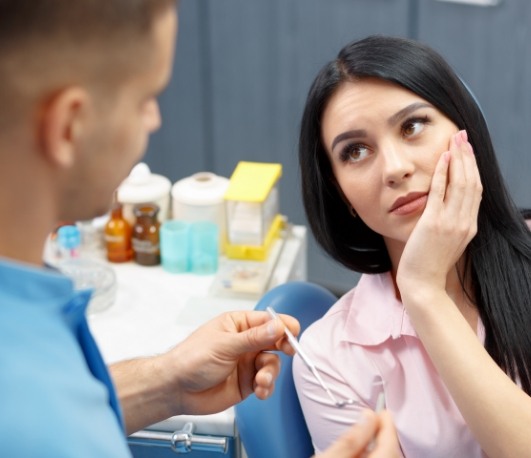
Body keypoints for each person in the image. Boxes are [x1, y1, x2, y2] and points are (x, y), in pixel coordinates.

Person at [0, 1, 398, 456]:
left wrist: (163, 383)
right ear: (70, 126)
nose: (155, 120)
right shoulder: (31, 414)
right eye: (145, 99)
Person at [295, 35, 531, 458]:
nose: (396, 169)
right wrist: (422, 291)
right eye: (356, 151)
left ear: (465, 129)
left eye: (412, 126)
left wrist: (424, 288)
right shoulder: (330, 360)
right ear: (340, 193)